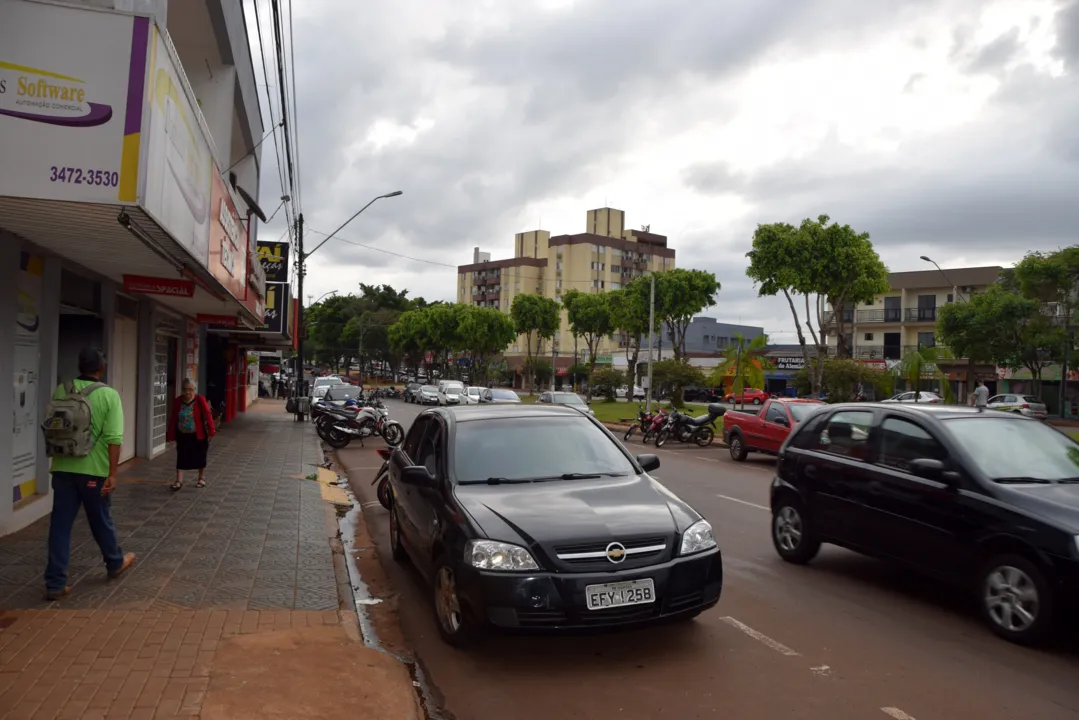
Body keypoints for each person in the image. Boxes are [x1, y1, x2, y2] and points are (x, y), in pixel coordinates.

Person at [44, 347, 136, 601]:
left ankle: (55, 583)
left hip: (62, 467)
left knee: (60, 526)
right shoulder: (109, 395)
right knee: (100, 520)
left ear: (79, 366)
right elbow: (114, 438)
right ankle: (114, 562)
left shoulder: (62, 389)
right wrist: (113, 473)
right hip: (93, 472)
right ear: (101, 368)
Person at [167, 378, 216, 490]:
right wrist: (170, 434)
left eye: (190, 389)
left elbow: (208, 414)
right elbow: (173, 418)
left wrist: (211, 429)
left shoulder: (200, 399)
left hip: (197, 434)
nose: (187, 392)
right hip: (183, 434)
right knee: (181, 457)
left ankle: (201, 478)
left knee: (200, 456)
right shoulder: (178, 401)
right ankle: (179, 481)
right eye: (185, 389)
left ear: (194, 389)